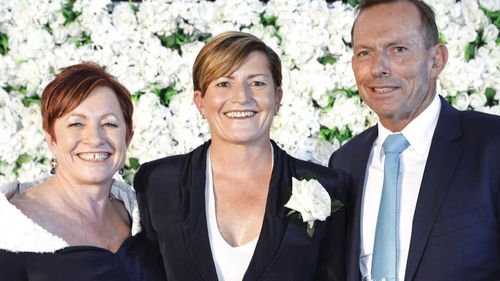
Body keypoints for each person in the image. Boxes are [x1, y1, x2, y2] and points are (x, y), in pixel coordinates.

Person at [134, 31, 348, 281]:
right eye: (224, 83)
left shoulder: (326, 187)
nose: (242, 97)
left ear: (277, 98)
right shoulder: (158, 182)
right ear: (200, 101)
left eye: (257, 83)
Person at [329, 0, 500, 280]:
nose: (377, 68)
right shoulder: (345, 162)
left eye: (398, 50)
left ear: (436, 60)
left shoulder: (492, 146)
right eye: (364, 53)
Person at [0, 62, 166, 281]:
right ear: (52, 138)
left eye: (109, 124)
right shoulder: (11, 233)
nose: (95, 138)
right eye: (76, 124)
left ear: (128, 138)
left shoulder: (144, 217)